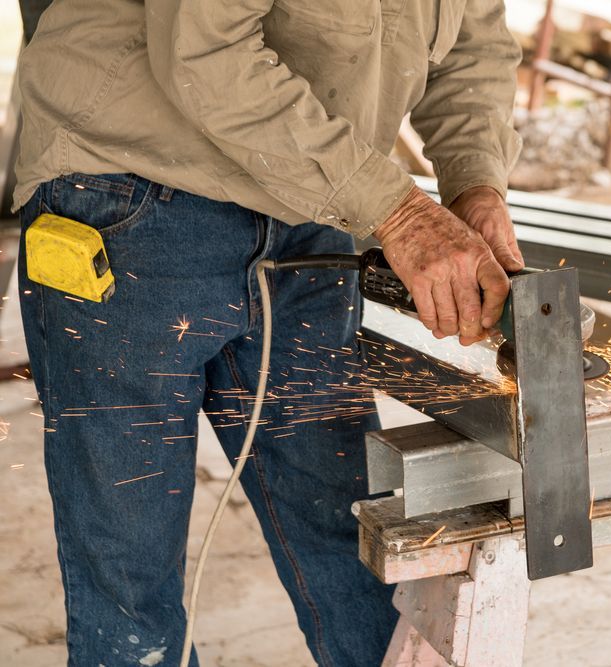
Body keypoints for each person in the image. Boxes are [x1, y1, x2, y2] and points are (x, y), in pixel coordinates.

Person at [11, 0, 524, 664]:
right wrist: (398, 213)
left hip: (304, 193)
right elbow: (205, 50)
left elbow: (473, 45)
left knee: (351, 531)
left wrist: (475, 184)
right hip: (129, 183)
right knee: (128, 571)